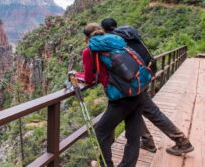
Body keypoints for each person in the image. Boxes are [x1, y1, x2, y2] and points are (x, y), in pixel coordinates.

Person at [100, 18, 194, 156]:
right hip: (143, 77)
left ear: (103, 29)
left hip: (133, 84)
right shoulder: (129, 35)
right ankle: (148, 142)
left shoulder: (114, 41)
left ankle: (182, 141)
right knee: (136, 109)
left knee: (152, 112)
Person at [76, 23, 145, 167]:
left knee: (101, 131)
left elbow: (89, 78)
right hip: (137, 89)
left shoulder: (89, 50)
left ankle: (106, 164)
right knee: (133, 135)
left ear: (86, 37)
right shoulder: (116, 41)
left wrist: (76, 75)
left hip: (120, 96)